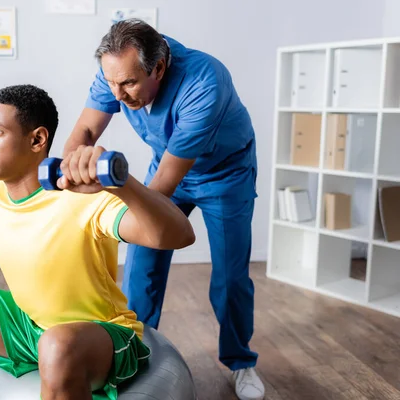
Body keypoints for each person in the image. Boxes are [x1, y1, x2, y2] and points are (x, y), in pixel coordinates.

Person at [0, 84, 195, 400]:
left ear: (37, 140)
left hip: (100, 338)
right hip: (28, 324)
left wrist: (121, 184)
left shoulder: (84, 198)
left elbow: (178, 235)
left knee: (56, 344)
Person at [63, 19, 264, 400]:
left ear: (158, 68)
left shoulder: (204, 82)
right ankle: (132, 353)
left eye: (128, 85)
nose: (118, 95)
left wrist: (108, 194)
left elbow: (161, 191)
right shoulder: (120, 66)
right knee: (141, 264)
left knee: (229, 276)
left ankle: (241, 362)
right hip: (166, 162)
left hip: (224, 174)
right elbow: (85, 133)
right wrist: (71, 176)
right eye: (111, 84)